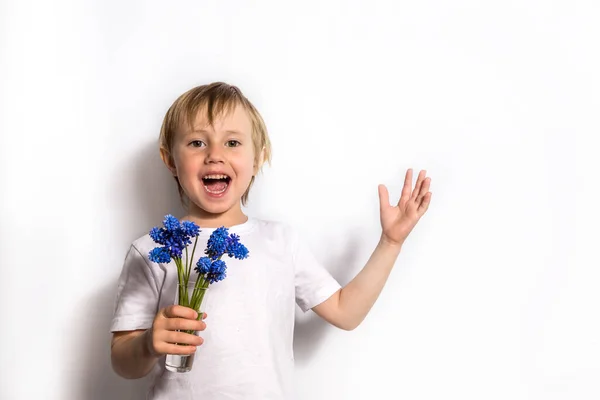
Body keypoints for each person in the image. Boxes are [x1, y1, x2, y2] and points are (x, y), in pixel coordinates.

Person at [110, 82, 432, 399]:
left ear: (258, 157)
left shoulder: (281, 241)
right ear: (170, 161)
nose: (215, 156)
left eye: (232, 143)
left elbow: (345, 312)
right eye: (197, 142)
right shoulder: (152, 251)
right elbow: (122, 360)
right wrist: (149, 341)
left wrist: (390, 242)